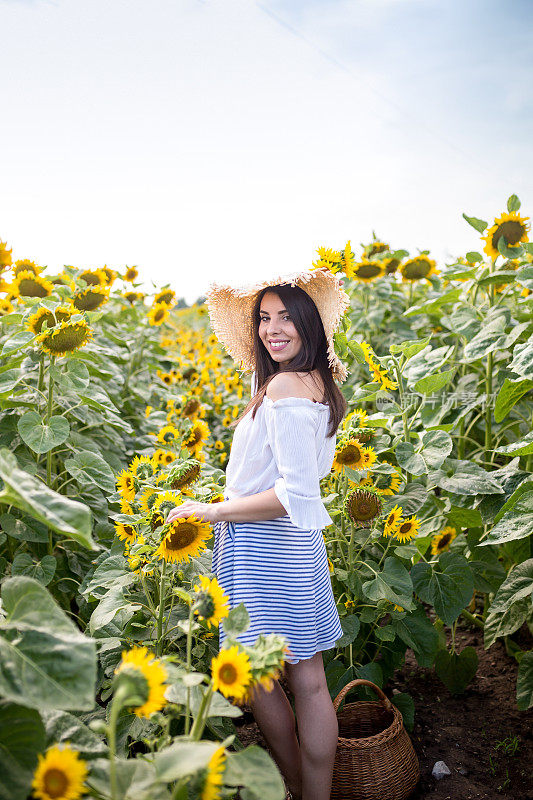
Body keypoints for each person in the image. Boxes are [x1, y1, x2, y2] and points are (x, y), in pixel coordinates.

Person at [167, 267, 351, 800]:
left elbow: (293, 494)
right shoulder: (312, 380)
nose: (273, 328)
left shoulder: (288, 386)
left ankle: (299, 786)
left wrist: (211, 511)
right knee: (309, 680)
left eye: (287, 318)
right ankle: (311, 792)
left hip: (265, 546)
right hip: (298, 548)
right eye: (264, 317)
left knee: (261, 678)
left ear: (309, 324)